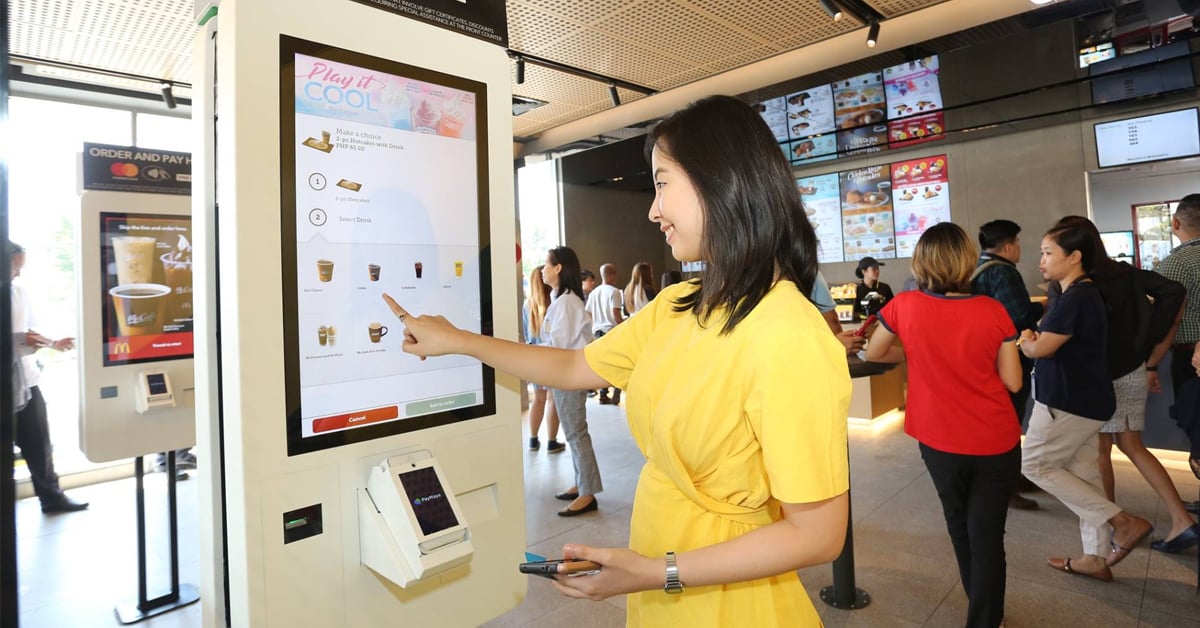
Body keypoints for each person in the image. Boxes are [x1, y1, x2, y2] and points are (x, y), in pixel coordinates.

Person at [381, 95, 850, 625]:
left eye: (663, 183)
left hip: (731, 603)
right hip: (662, 581)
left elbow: (818, 535)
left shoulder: (788, 333)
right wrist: (460, 340)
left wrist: (655, 572)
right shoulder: (677, 305)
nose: (653, 210)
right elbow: (573, 368)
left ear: (722, 182)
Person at [865, 223, 1022, 628]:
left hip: (939, 440)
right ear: (967, 260)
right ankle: (986, 618)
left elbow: (874, 352)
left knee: (958, 524)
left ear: (921, 261)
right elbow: (1013, 382)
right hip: (996, 439)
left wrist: (916, 352)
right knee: (988, 537)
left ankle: (979, 603)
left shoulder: (903, 305)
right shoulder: (993, 310)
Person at [1049, 216, 1198, 553]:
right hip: (1131, 369)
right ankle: (1181, 520)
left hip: (1100, 376)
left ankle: (1114, 527)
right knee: (1132, 446)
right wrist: (1148, 344)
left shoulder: (1077, 282)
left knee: (1101, 451)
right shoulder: (1124, 272)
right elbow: (1173, 292)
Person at [1018, 223, 1153, 582]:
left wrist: (1026, 341)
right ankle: (1095, 557)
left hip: (1066, 402)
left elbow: (1041, 349)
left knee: (1035, 465)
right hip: (1085, 401)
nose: (1041, 260)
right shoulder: (1078, 293)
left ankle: (1122, 522)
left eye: (1048, 253)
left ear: (1075, 256)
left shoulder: (1077, 296)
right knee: (1084, 475)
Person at [8, 241, 89, 514]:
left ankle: (52, 499)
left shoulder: (20, 294)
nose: (18, 273)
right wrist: (22, 339)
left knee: (39, 443)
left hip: (26, 380)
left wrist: (53, 343)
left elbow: (29, 332)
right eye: (15, 267)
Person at [971, 219, 1045, 511]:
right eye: (1018, 242)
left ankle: (1011, 477)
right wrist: (1044, 306)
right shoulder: (1003, 272)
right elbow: (1017, 316)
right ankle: (1005, 485)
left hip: (986, 357)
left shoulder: (976, 269)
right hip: (1008, 358)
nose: (1020, 248)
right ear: (1007, 246)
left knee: (1000, 420)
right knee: (1008, 421)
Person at [541, 247, 601, 515]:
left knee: (576, 433)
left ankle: (588, 493)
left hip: (568, 374)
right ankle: (581, 483)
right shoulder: (561, 299)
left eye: (546, 265)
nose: (542, 270)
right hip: (564, 373)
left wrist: (531, 349)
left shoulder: (566, 302)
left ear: (558, 268)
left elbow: (559, 343)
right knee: (574, 432)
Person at [1156, 194, 1200, 489]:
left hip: (1190, 357)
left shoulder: (1175, 264)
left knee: (1196, 426)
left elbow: (1165, 319)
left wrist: (1151, 363)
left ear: (1175, 223)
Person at [522, 265, 563, 453]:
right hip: (551, 358)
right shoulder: (555, 302)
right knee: (552, 399)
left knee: (538, 400)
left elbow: (526, 333)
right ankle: (552, 441)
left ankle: (532, 439)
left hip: (534, 357)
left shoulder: (528, 304)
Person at [585, 263, 624, 405]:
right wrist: (623, 325)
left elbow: (588, 313)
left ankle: (603, 394)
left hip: (597, 332)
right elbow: (616, 314)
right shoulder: (615, 292)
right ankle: (616, 393)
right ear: (612, 275)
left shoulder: (594, 293)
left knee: (603, 365)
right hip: (611, 332)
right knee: (618, 364)